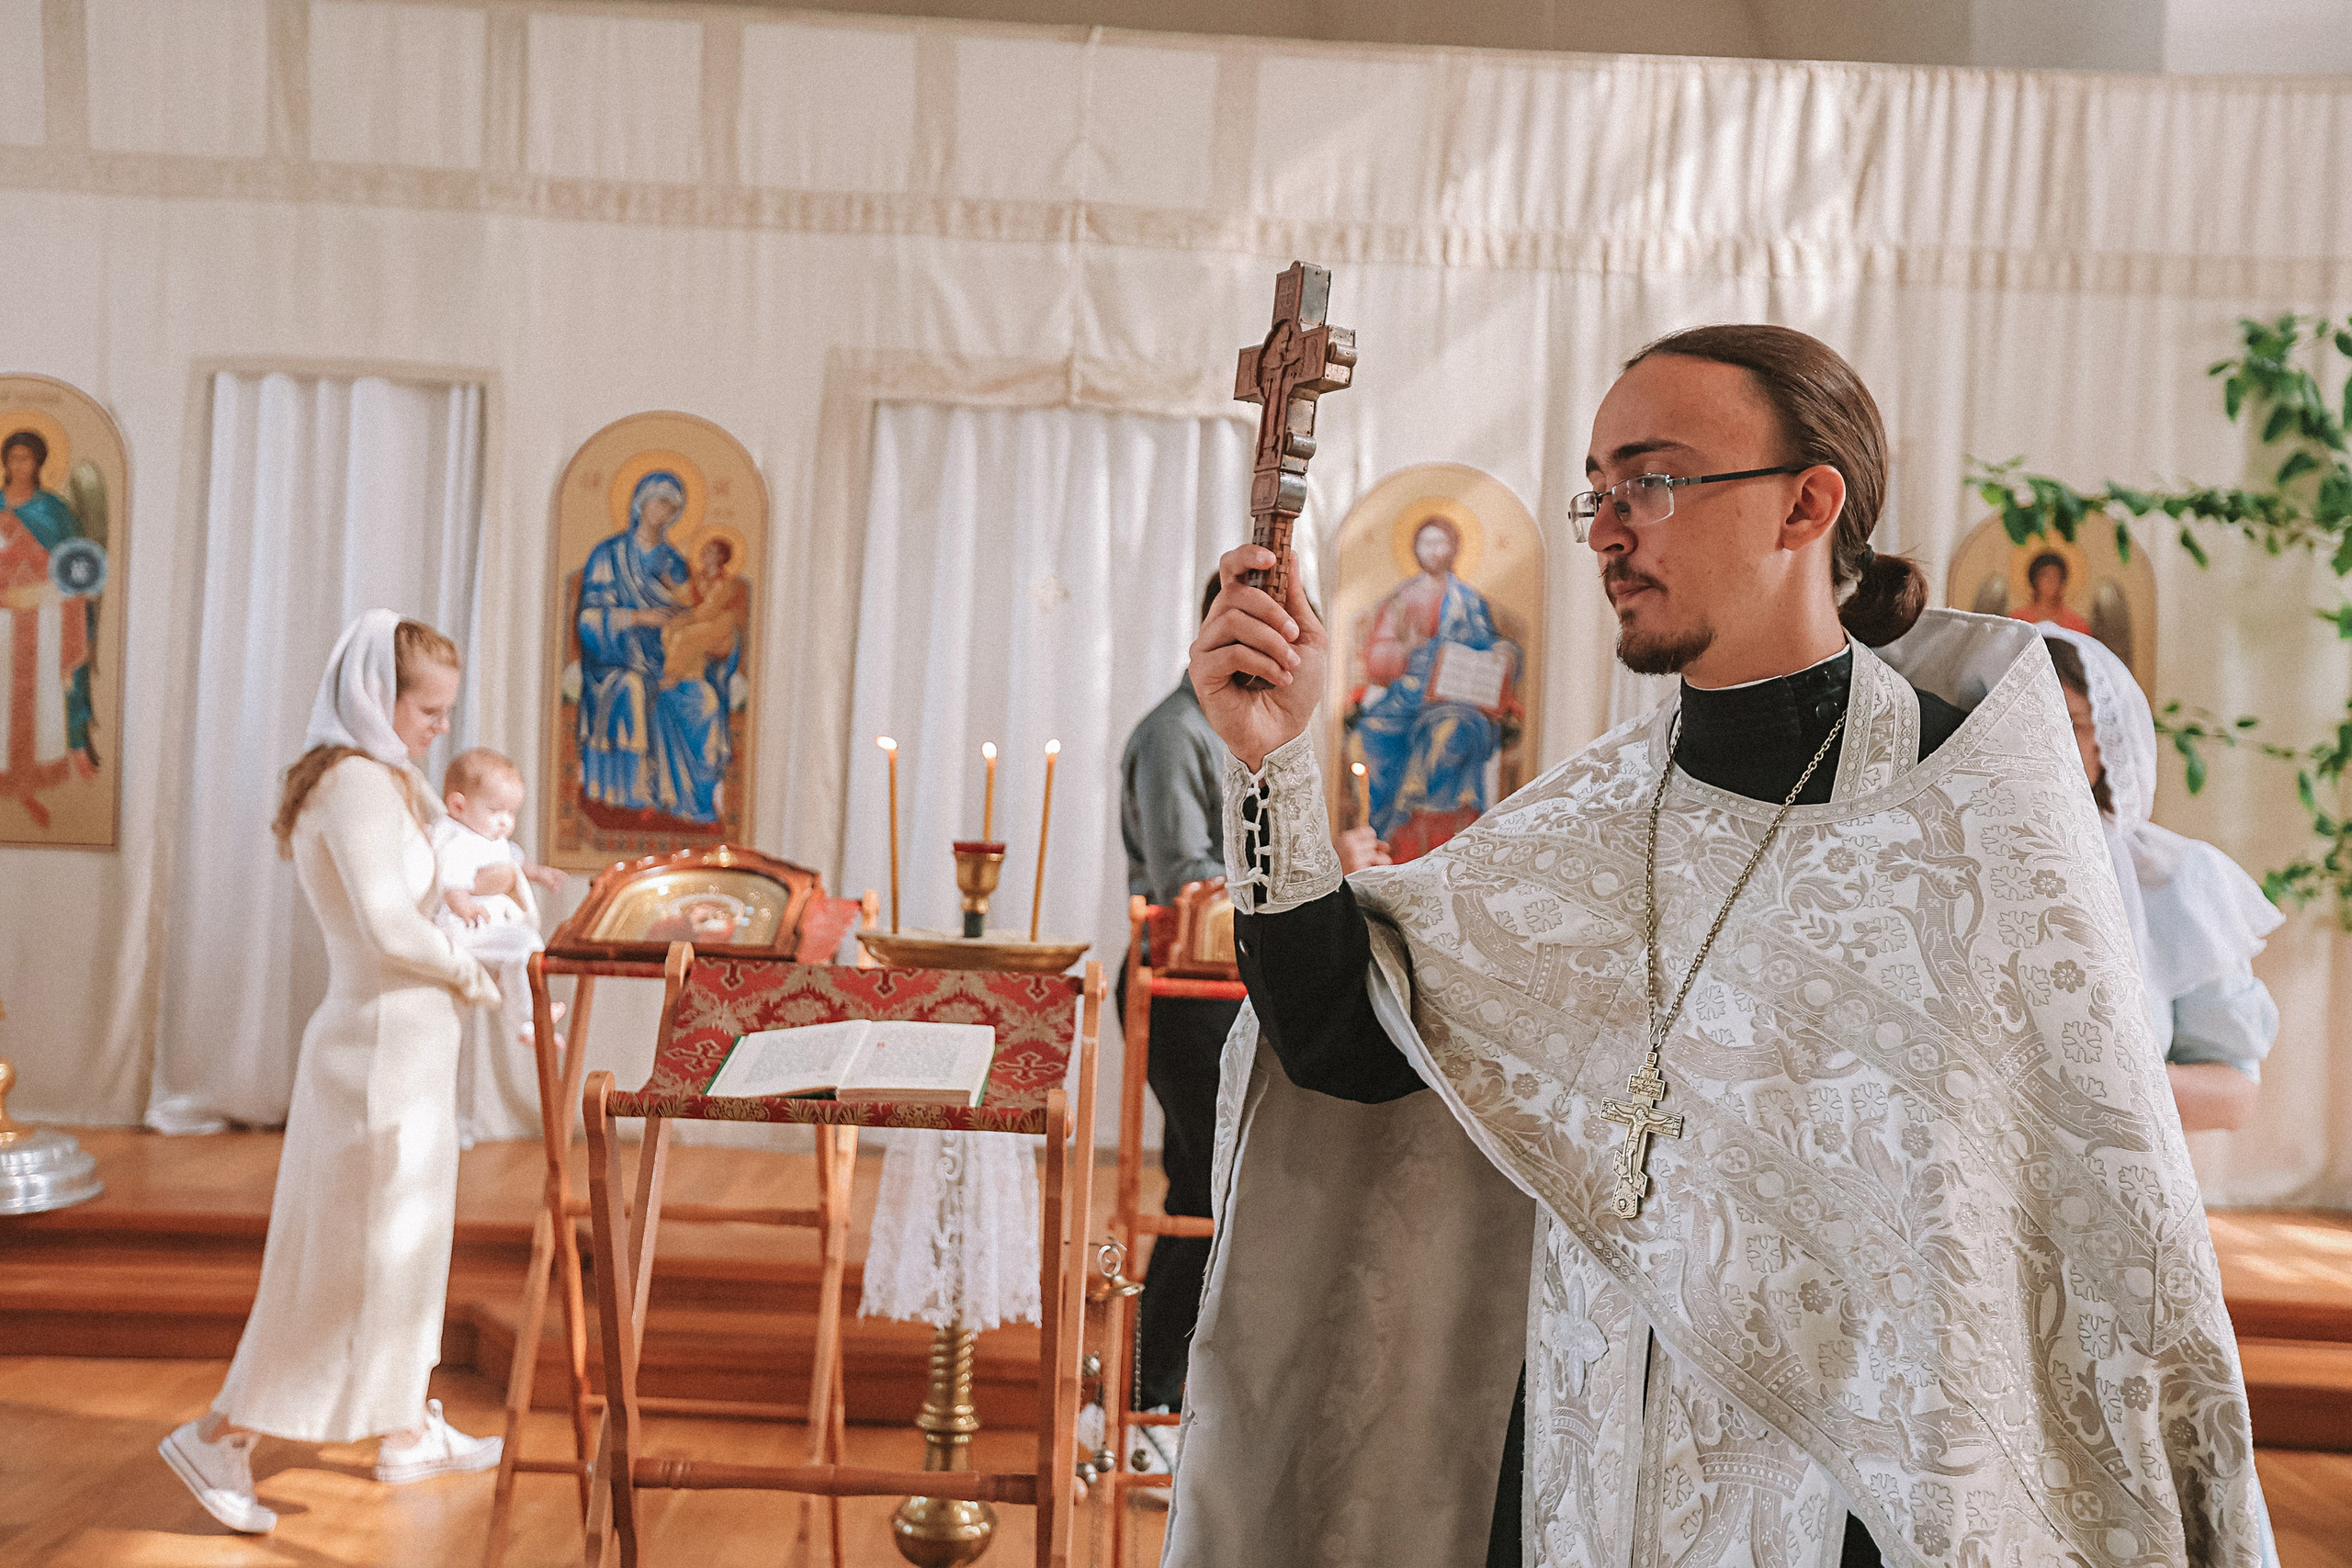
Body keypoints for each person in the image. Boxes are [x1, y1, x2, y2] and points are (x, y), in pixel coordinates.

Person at [1169, 325, 2272, 1568]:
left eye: (1652, 478)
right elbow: (1340, 1038)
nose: (1604, 527)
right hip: (1585, 1466)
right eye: (1596, 486)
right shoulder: (1584, 822)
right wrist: (1269, 755)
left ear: (1806, 502)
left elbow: (2099, 1224)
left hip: (1865, 1495)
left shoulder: (1972, 809)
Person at [159, 611, 506, 1535]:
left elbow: (451, 878)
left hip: (408, 1048)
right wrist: (470, 969)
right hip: (373, 1054)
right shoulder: (352, 786)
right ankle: (218, 1435)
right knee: (342, 1264)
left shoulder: (393, 778)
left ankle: (401, 1428)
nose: (441, 727)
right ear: (375, 696)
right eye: (428, 708)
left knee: (403, 1251)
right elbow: (390, 928)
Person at [2041, 625, 2278, 1134]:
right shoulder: (1938, 858)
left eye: (2070, 723)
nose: (2042, 741)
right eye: (2023, 719)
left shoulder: (2174, 879)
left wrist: (2104, 1087)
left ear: (2107, 742)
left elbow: (2234, 1095)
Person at [1351, 514, 1521, 861]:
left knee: (1452, 729)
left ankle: (1434, 824)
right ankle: (1387, 824)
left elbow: (1489, 646)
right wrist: (1403, 651)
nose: (1433, 551)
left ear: (1454, 548)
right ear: (1414, 550)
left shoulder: (1468, 601)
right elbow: (1379, 656)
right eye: (1426, 543)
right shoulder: (1400, 599)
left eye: (1440, 543)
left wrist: (1502, 653)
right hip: (1409, 693)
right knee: (1372, 729)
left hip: (1456, 696)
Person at [431, 747, 566, 1147]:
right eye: (496, 811)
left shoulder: (489, 837)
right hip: (462, 927)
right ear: (458, 804)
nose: (506, 822)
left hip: (484, 926)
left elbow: (516, 863)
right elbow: (450, 879)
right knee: (525, 946)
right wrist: (463, 903)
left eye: (512, 813)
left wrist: (539, 874)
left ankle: (526, 1017)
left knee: (524, 951)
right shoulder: (453, 835)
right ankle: (525, 1019)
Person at [0, 429, 98, 827]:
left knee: (40, 698)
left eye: (28, 458)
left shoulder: (56, 512)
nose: (20, 465)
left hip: (44, 617)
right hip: (2, 620)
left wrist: (59, 597)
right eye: (14, 457)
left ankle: (31, 785)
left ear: (39, 463)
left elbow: (75, 569)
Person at [2014, 548, 2092, 633]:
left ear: (2062, 582)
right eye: (2045, 575)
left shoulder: (2077, 624)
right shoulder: (2018, 621)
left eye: (2055, 576)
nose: (2050, 581)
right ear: (2035, 580)